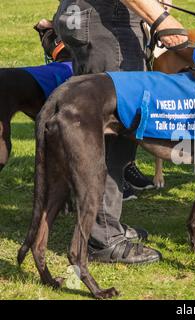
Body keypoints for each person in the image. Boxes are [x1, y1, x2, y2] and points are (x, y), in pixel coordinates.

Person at [54, 0, 187, 264]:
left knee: (94, 126)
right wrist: (160, 18)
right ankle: (104, 238)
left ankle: (99, 223)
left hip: (87, 18)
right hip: (108, 24)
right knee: (112, 133)